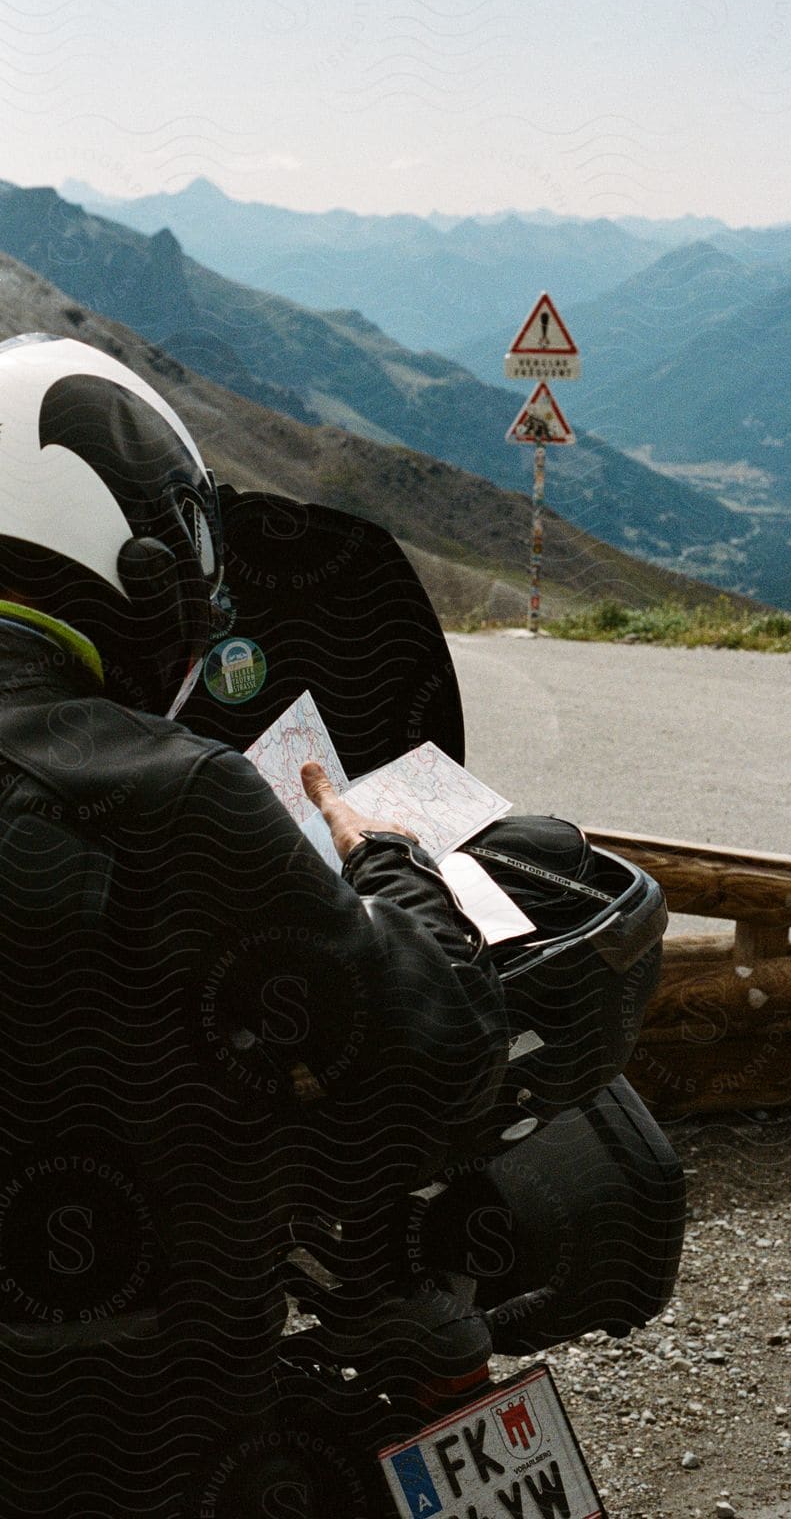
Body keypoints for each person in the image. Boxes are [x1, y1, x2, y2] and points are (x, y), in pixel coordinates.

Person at [0, 332, 509, 1512]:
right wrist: (389, 861)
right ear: (134, 568)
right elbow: (430, 1056)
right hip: (132, 1422)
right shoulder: (168, 792)